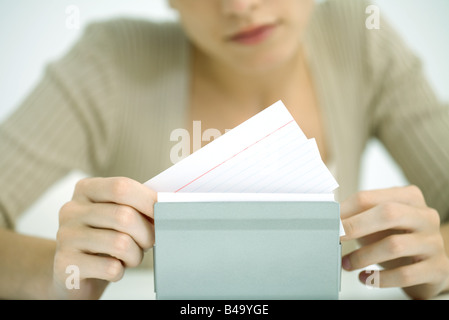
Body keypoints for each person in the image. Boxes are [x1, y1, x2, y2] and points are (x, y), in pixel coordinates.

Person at [0, 0, 448, 300]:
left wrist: (438, 261)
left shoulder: (360, 39)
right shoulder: (109, 62)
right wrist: (57, 277)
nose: (239, 6)